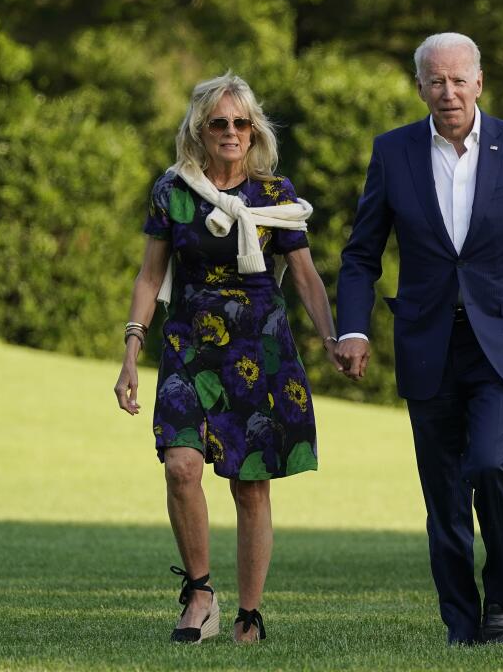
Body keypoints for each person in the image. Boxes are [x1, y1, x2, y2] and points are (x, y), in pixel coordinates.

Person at [335, 32, 503, 645]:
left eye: (458, 79)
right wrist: (354, 327)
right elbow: (362, 254)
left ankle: (502, 597)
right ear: (420, 88)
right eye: (435, 81)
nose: (448, 92)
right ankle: (462, 623)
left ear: (479, 83)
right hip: (426, 340)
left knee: (492, 465)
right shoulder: (393, 153)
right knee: (442, 493)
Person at [113, 72, 338, 643]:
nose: (232, 132)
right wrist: (131, 351)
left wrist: (335, 339)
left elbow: (307, 278)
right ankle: (201, 595)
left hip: (258, 347)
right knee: (180, 465)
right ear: (201, 129)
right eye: (220, 122)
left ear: (254, 128)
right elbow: (150, 274)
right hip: (189, 342)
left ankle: (250, 614)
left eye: (241, 122)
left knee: (250, 484)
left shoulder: (275, 196)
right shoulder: (173, 191)